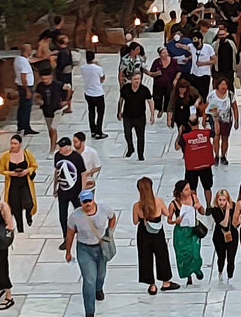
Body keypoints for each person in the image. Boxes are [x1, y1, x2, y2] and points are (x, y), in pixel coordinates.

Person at [64, 189, 117, 317]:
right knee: (89, 280)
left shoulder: (104, 209)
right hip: (84, 249)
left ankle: (99, 289)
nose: (87, 203)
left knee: (101, 274)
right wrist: (68, 251)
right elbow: (70, 234)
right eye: (84, 201)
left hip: (101, 247)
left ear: (93, 200)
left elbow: (112, 217)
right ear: (81, 202)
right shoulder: (75, 216)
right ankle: (89, 312)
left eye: (89, 200)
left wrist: (109, 232)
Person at [132, 177, 181, 295]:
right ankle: (166, 282)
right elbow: (167, 213)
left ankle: (152, 285)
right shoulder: (158, 201)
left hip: (143, 233)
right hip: (157, 233)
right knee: (162, 255)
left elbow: (135, 221)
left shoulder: (137, 206)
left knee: (145, 257)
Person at [168, 180, 205, 286]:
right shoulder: (173, 204)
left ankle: (197, 268)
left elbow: (202, 212)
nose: (189, 191)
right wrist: (175, 221)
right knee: (183, 255)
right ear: (180, 192)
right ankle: (188, 275)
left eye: (189, 188)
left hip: (193, 230)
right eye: (186, 190)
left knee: (195, 252)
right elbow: (169, 219)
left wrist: (199, 206)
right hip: (181, 232)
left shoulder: (193, 198)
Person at [0, 135, 37, 233]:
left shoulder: (26, 153)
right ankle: (20, 229)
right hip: (13, 185)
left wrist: (27, 171)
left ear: (20, 144)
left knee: (29, 203)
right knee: (16, 208)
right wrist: (10, 173)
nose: (13, 146)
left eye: (15, 144)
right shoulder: (5, 156)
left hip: (25, 183)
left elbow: (34, 165)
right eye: (11, 143)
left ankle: (28, 215)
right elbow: (1, 170)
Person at [54, 137, 86, 250]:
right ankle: (66, 238)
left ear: (68, 147)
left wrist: (83, 191)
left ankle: (83, 234)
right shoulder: (57, 156)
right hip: (62, 191)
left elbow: (83, 174)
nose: (59, 149)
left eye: (61, 147)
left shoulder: (76, 157)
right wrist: (55, 187)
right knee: (62, 216)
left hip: (75, 192)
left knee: (81, 214)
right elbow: (57, 171)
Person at [182, 110, 216, 207]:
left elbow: (176, 146)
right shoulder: (206, 133)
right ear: (198, 121)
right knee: (207, 187)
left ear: (189, 124)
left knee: (192, 188)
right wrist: (216, 121)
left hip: (192, 167)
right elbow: (216, 133)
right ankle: (208, 206)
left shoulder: (185, 137)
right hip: (205, 165)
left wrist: (180, 132)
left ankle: (195, 205)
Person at [118, 72, 154, 160]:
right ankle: (130, 148)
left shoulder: (144, 90)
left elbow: (150, 101)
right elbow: (121, 100)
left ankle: (140, 154)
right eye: (135, 79)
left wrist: (152, 114)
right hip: (127, 116)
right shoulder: (125, 88)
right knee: (127, 133)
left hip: (140, 117)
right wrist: (119, 111)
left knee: (140, 136)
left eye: (138, 79)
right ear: (131, 80)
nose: (137, 81)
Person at [34, 67, 71, 154]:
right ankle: (54, 143)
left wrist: (67, 100)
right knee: (50, 131)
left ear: (51, 76)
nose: (45, 81)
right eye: (43, 79)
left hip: (57, 109)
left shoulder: (58, 84)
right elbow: (37, 95)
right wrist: (39, 100)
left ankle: (52, 150)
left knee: (53, 128)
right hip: (46, 110)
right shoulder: (40, 86)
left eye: (47, 79)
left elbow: (68, 88)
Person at [209, 189, 239, 284]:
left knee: (231, 257)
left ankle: (230, 276)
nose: (222, 202)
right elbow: (224, 223)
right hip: (219, 236)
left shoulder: (234, 206)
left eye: (224, 200)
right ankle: (220, 271)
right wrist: (227, 211)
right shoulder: (215, 210)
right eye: (220, 200)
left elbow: (236, 222)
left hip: (232, 235)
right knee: (221, 256)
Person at [206, 76, 239, 165]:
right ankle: (216, 156)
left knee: (225, 137)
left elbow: (235, 108)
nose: (224, 87)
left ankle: (223, 156)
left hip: (226, 119)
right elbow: (207, 107)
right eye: (222, 85)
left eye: (225, 85)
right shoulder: (212, 95)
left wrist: (236, 120)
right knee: (216, 137)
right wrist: (204, 119)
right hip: (214, 119)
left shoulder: (230, 95)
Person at [148, 47, 180, 121]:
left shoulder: (173, 61)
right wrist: (156, 73)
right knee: (157, 98)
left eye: (166, 52)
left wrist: (176, 79)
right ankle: (159, 109)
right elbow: (151, 73)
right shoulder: (156, 62)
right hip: (158, 84)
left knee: (168, 97)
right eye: (163, 53)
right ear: (159, 55)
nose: (165, 54)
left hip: (169, 84)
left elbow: (179, 71)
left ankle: (166, 111)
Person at [81, 50, 107, 139]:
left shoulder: (83, 68)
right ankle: (99, 131)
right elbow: (102, 79)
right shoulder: (98, 68)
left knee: (91, 112)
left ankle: (93, 130)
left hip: (88, 93)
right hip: (98, 93)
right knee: (100, 113)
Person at [13, 43, 37, 135]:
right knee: (26, 108)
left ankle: (20, 125)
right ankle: (26, 127)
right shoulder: (23, 62)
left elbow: (31, 60)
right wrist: (27, 90)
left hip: (21, 86)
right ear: (27, 51)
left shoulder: (18, 59)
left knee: (22, 107)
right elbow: (23, 76)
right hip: (26, 86)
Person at [188, 31, 216, 99]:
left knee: (203, 95)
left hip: (205, 75)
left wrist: (203, 63)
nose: (194, 41)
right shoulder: (191, 46)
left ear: (200, 39)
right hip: (194, 74)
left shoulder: (208, 47)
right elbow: (184, 47)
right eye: (192, 39)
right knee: (194, 94)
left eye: (195, 39)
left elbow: (214, 60)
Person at [54, 35, 74, 112]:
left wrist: (57, 70)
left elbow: (62, 63)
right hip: (68, 71)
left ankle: (64, 105)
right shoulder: (67, 50)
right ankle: (69, 106)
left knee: (63, 89)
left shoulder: (62, 52)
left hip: (63, 73)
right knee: (68, 87)